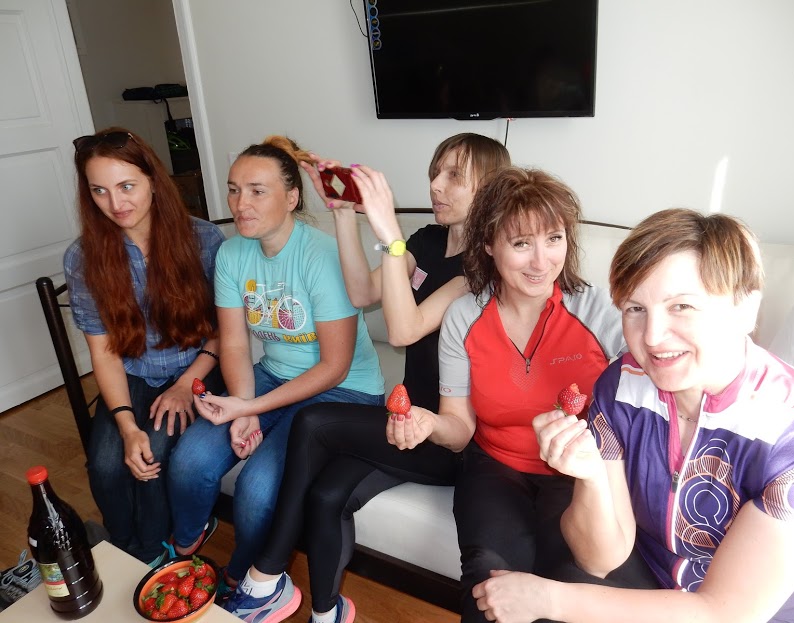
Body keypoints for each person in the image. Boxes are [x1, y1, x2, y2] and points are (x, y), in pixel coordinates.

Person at [473, 208, 794, 623]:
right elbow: (600, 560)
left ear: (745, 309)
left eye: (681, 306)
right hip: (655, 582)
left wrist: (547, 600)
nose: (653, 337)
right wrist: (591, 476)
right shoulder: (620, 385)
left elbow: (723, 614)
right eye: (635, 309)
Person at [222, 133, 510, 623]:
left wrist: (388, 231)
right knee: (326, 495)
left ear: (490, 187)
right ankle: (327, 612)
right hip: (405, 421)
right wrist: (342, 214)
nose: (436, 186)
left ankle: (265, 574)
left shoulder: (483, 268)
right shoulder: (429, 240)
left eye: (454, 176)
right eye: (435, 173)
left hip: (451, 437)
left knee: (313, 421)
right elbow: (361, 293)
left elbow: (403, 330)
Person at [167, 136, 386, 589]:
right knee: (190, 460)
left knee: (258, 488)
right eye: (234, 190)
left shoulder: (321, 255)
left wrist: (248, 408)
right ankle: (183, 555)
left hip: (344, 389)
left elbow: (335, 367)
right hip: (274, 375)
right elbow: (234, 345)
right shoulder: (231, 254)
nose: (240, 204)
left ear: (291, 198)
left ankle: (243, 582)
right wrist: (244, 405)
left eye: (257, 191)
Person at [63, 128, 225, 565]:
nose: (115, 203)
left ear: (152, 179)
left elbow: (226, 331)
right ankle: (122, 551)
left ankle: (154, 554)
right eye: (99, 190)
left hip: (199, 368)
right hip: (132, 373)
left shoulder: (204, 240)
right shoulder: (82, 258)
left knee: (153, 451)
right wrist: (124, 424)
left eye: (126, 186)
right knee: (105, 464)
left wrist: (186, 385)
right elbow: (104, 352)